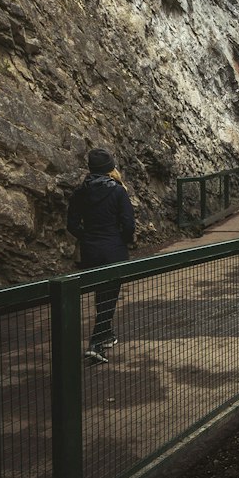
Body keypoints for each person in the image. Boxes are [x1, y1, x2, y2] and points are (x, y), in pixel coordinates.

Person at [67, 147, 135, 364]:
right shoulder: (117, 191)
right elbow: (128, 225)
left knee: (100, 292)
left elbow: (72, 225)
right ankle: (96, 343)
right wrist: (122, 240)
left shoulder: (80, 192)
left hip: (91, 249)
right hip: (113, 248)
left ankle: (106, 334)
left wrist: (87, 237)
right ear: (109, 168)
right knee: (110, 295)